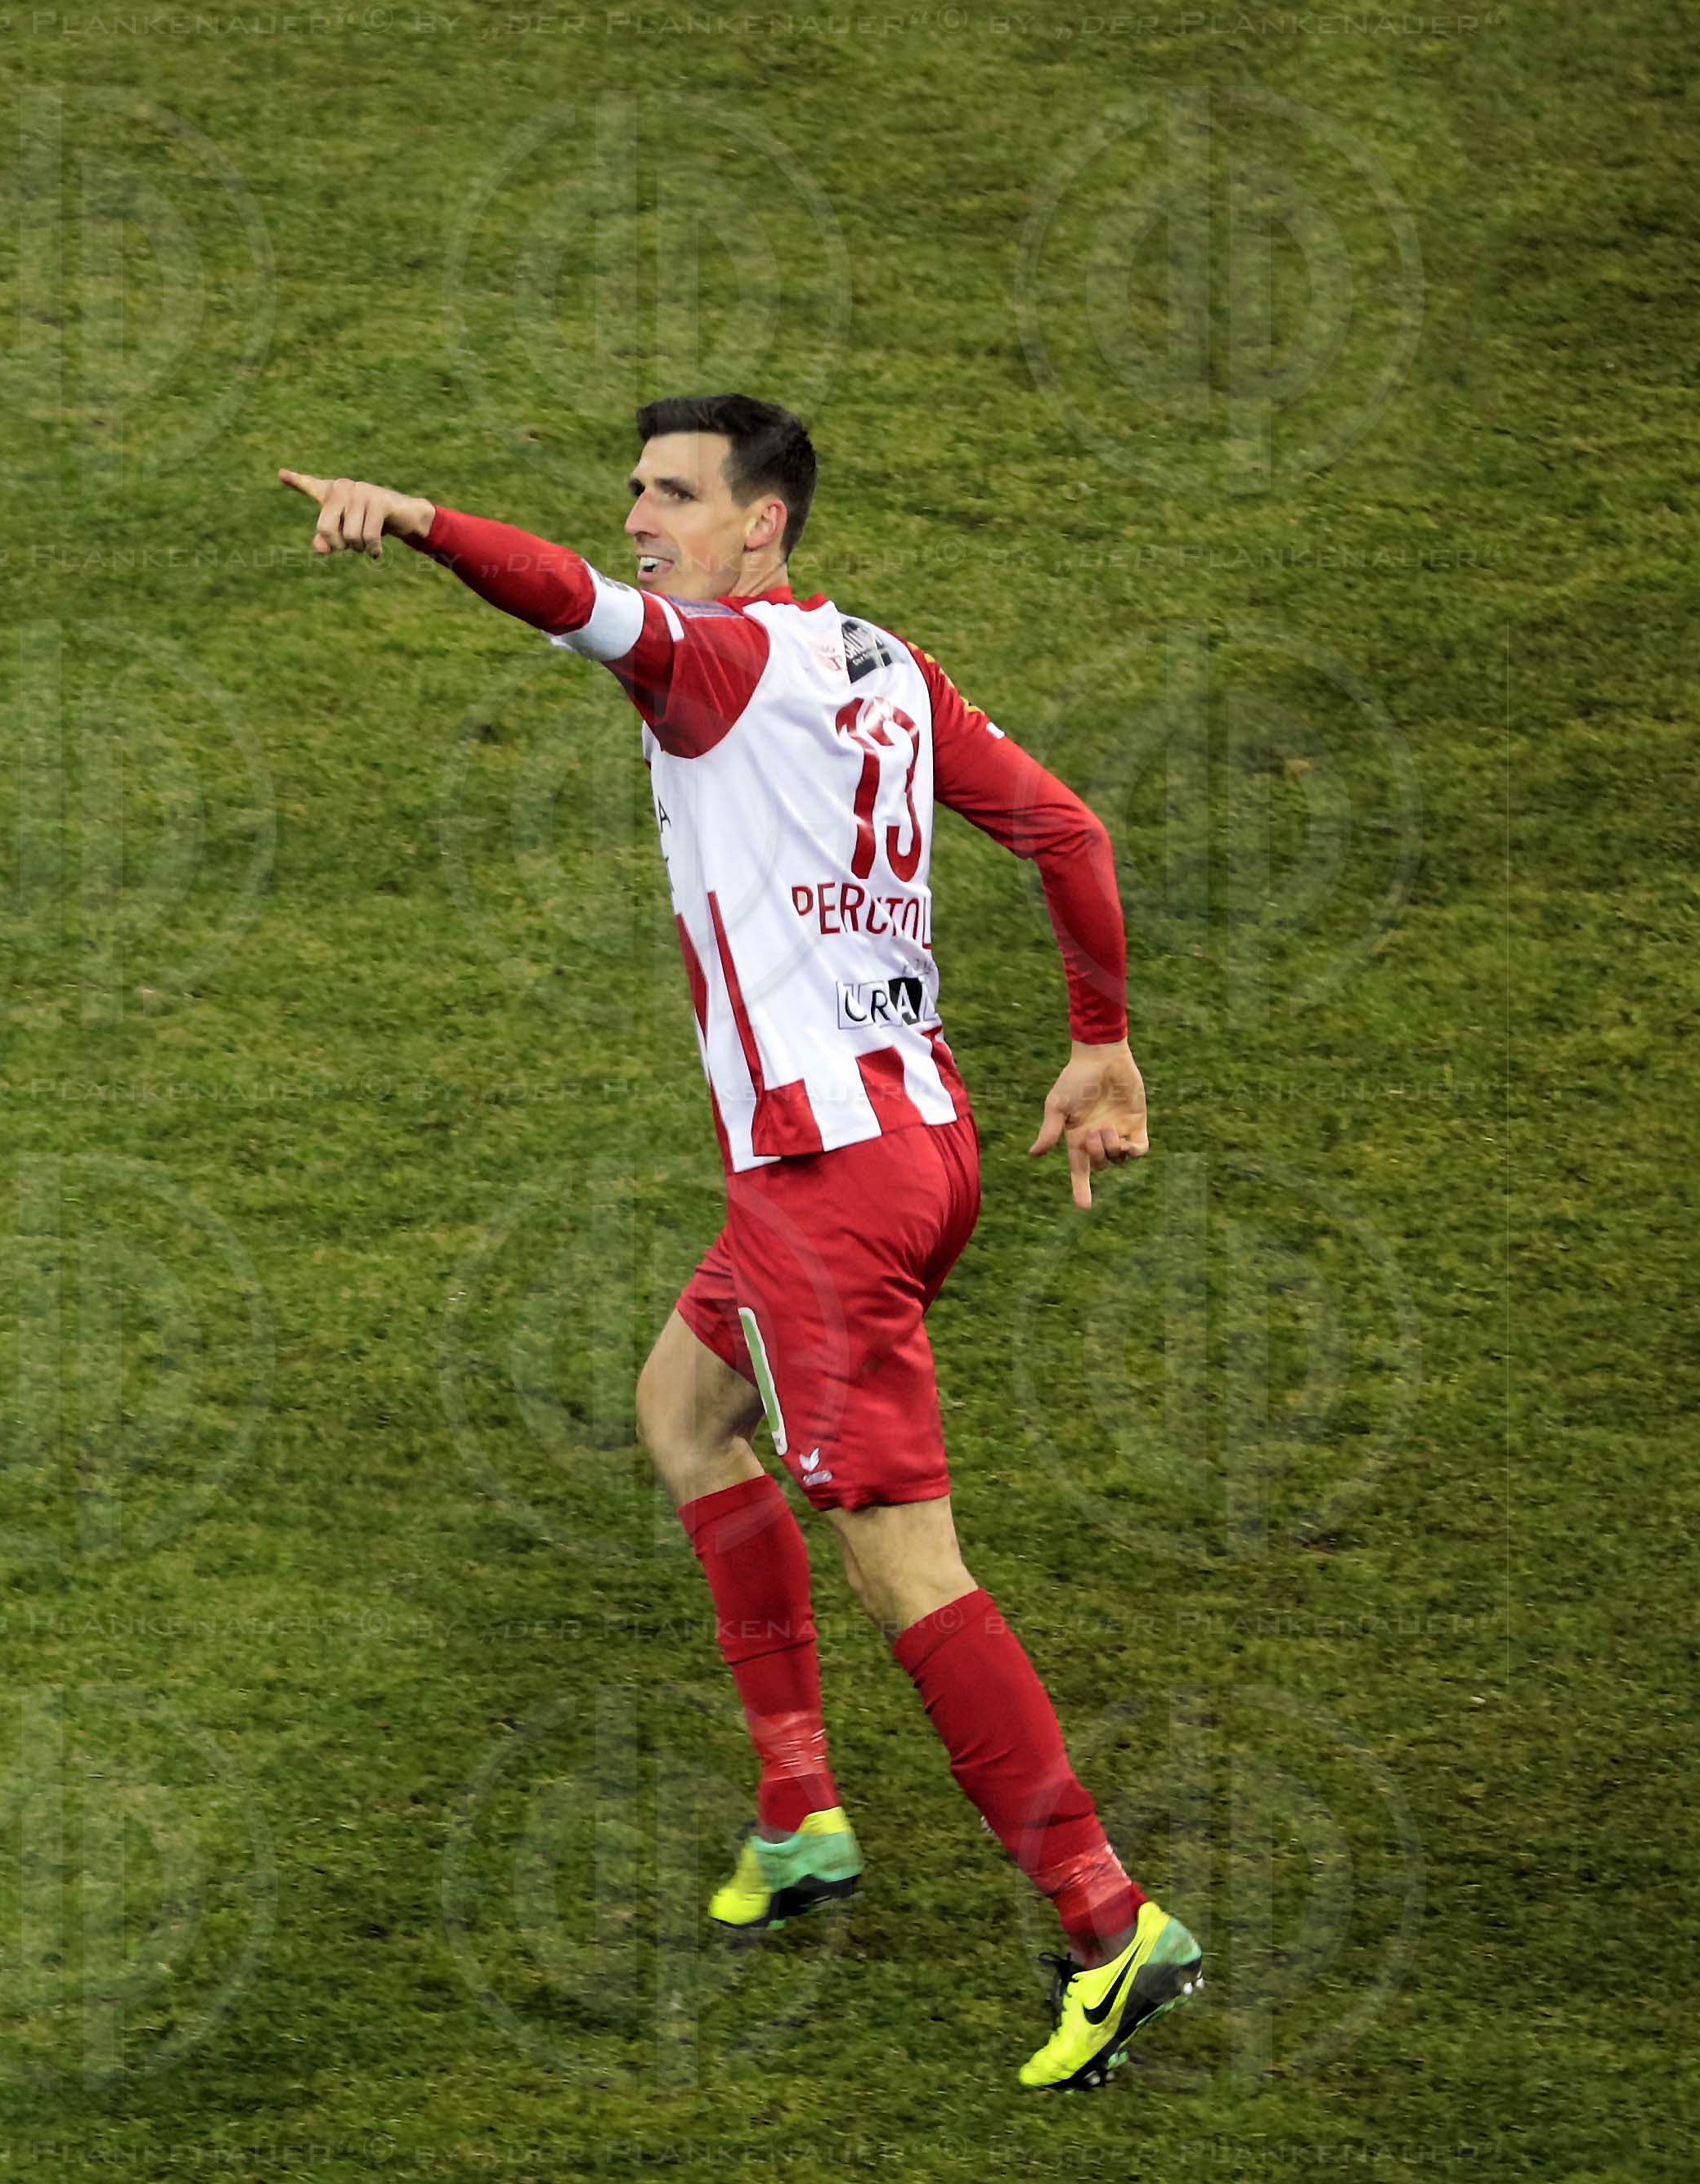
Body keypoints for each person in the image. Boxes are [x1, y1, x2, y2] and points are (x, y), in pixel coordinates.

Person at [279, 397, 1198, 2089]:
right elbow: (1071, 829)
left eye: (676, 496)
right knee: (684, 1411)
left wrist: (411, 516)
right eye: (633, 489)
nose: (641, 519)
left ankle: (1107, 1916)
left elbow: (564, 599)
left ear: (760, 524)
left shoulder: (710, 666)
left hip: (823, 1183)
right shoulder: (886, 666)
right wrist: (1098, 1041)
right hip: (914, 1144)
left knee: (908, 1562)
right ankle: (800, 1812)